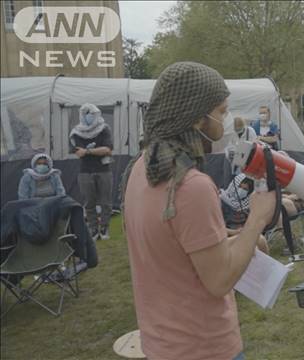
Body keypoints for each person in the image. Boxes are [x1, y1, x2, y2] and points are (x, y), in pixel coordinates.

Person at [121, 62, 276, 360]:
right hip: (205, 347)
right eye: (220, 111)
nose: (225, 120)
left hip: (162, 344)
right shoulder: (192, 186)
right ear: (196, 118)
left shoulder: (141, 168)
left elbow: (177, 252)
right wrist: (257, 219)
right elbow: (219, 280)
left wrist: (240, 242)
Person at [70, 103, 114, 241]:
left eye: (92, 114)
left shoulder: (104, 128)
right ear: (82, 115)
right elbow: (79, 153)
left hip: (103, 170)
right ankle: (93, 229)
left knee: (105, 202)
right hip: (85, 172)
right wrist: (95, 150)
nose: (90, 117)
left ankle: (104, 227)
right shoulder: (76, 132)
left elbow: (107, 149)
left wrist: (88, 150)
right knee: (89, 202)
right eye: (87, 114)